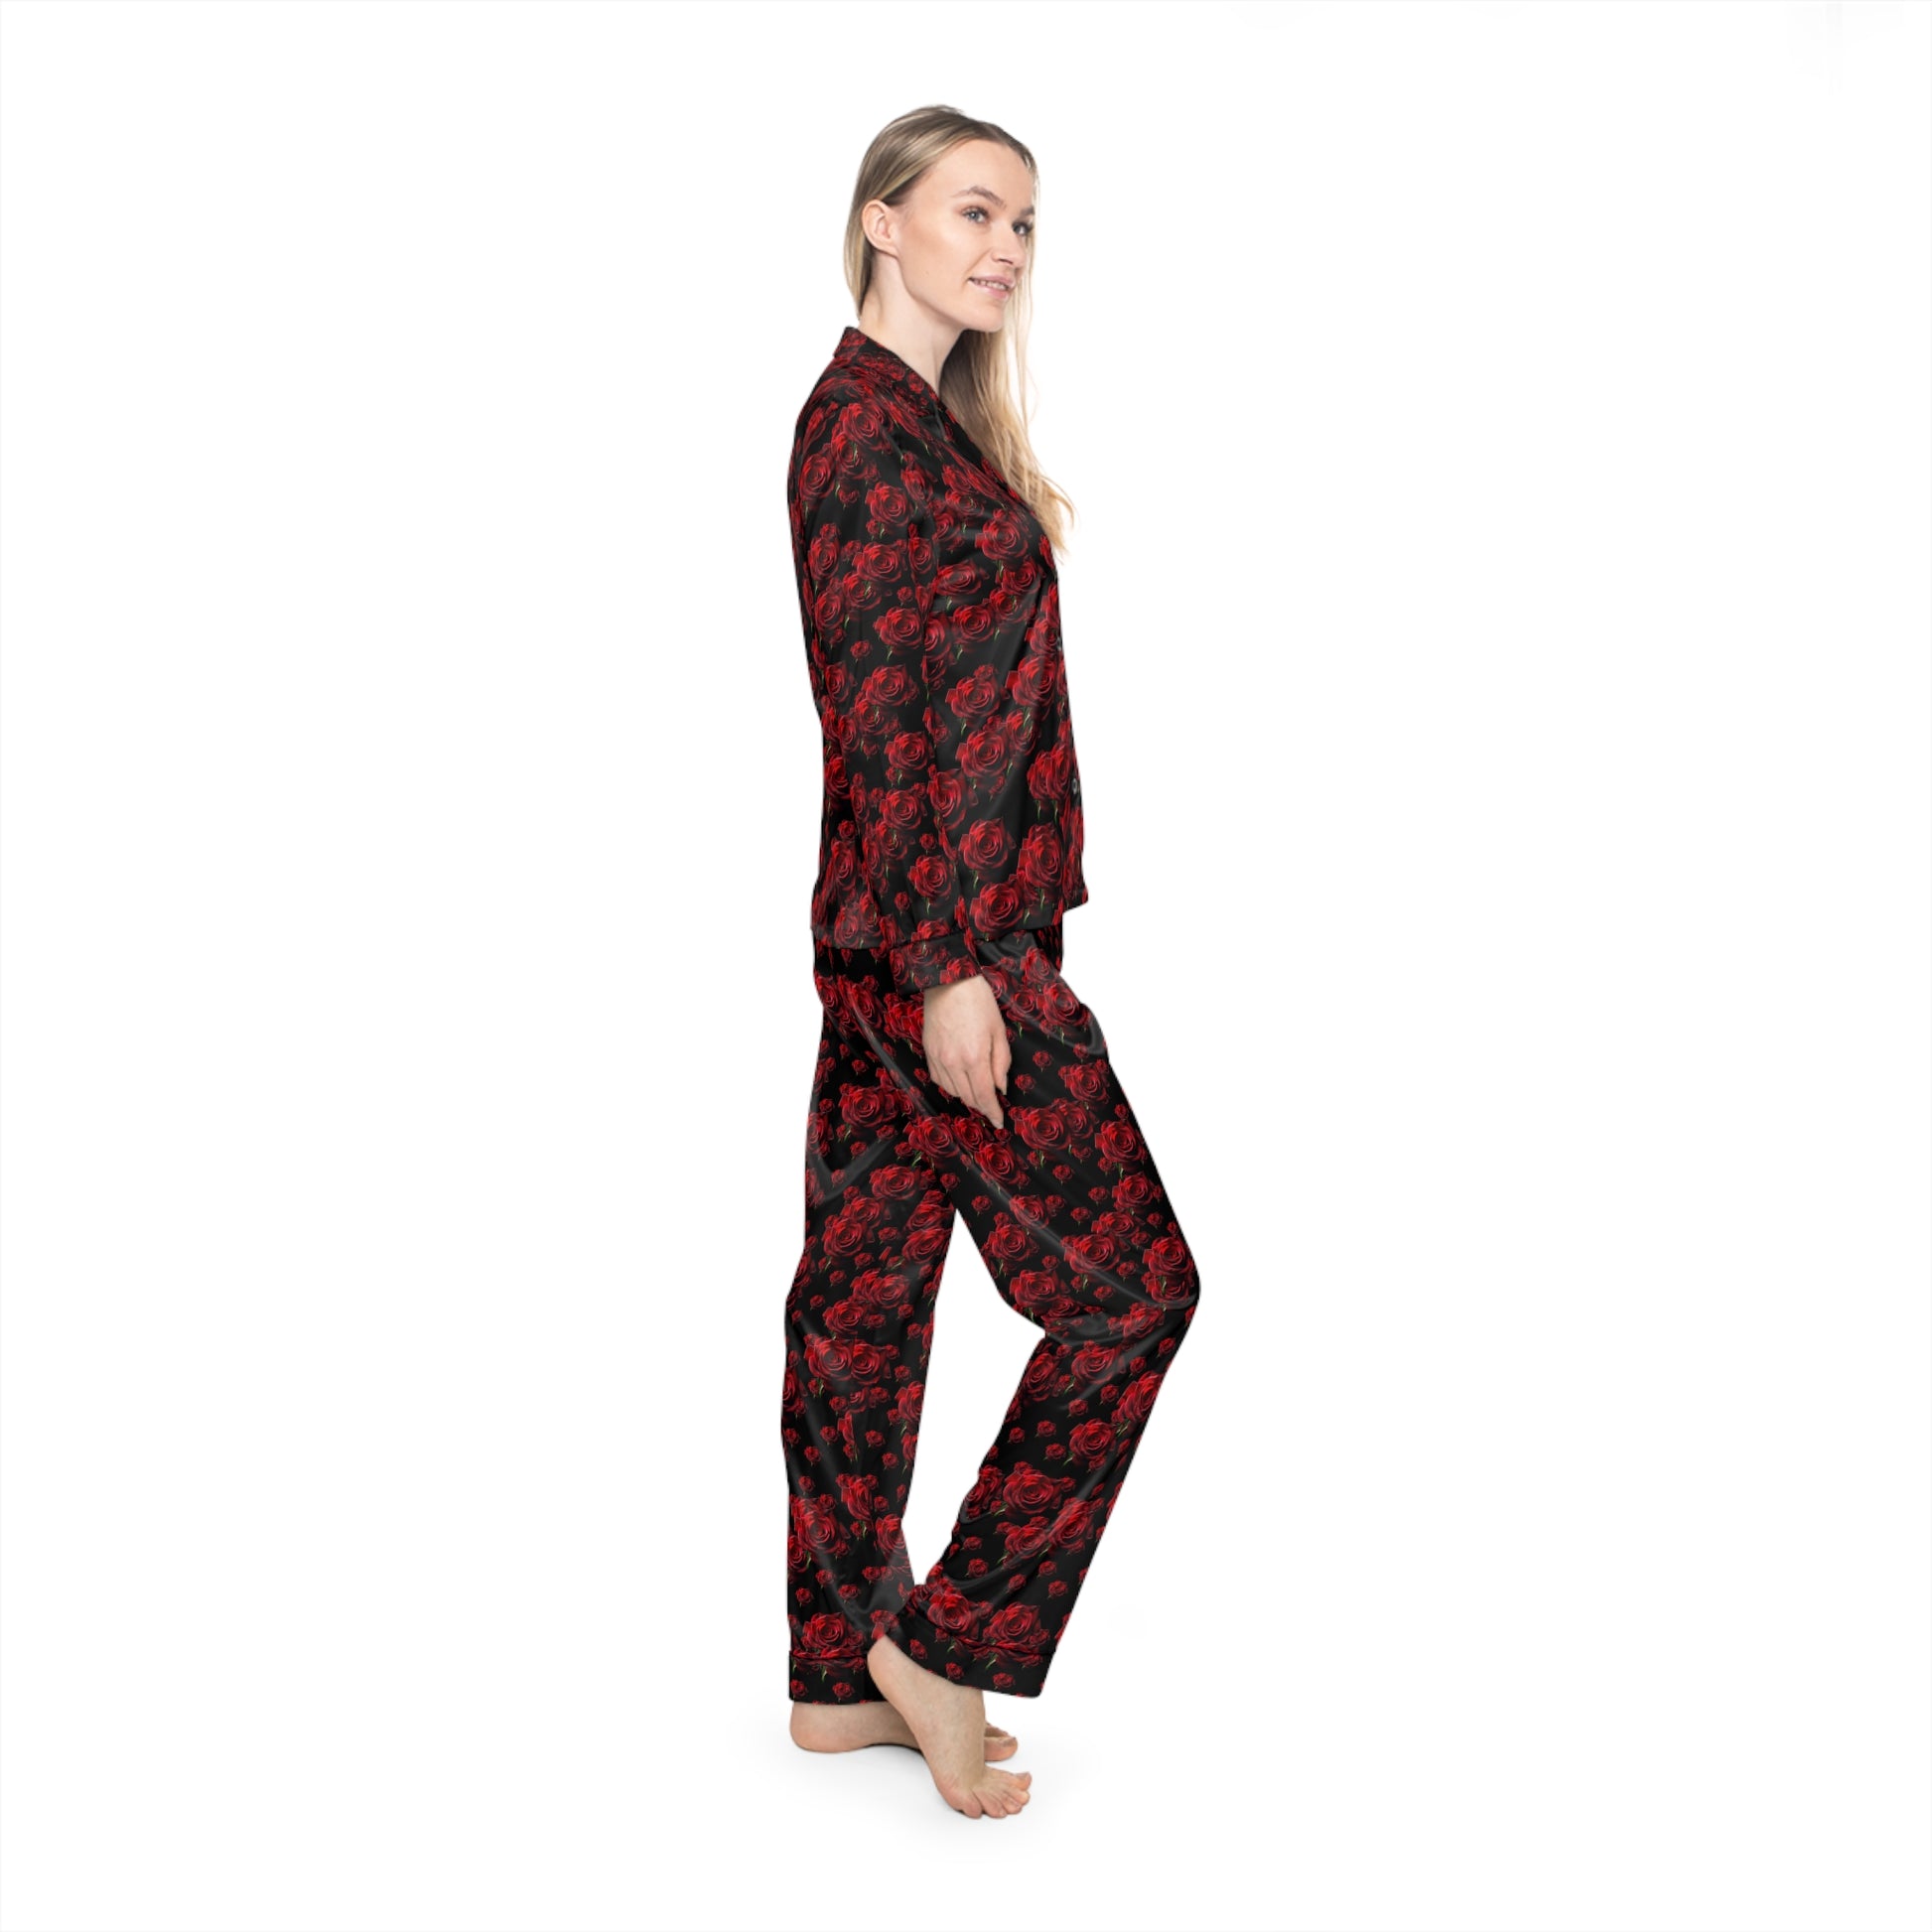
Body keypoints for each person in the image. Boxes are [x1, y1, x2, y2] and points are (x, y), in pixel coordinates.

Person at [778, 105, 1203, 1821]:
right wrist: (957, 965)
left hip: (891, 940)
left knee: (861, 1302)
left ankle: (836, 1672)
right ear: (882, 222)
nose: (1006, 249)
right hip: (942, 946)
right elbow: (876, 719)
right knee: (1132, 1292)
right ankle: (942, 1645)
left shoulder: (922, 426)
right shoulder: (860, 434)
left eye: (1023, 223)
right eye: (972, 212)